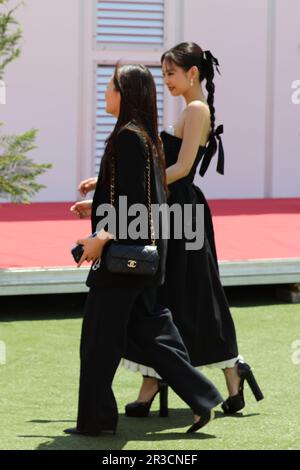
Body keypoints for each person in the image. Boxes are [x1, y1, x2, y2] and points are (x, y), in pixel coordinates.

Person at [75, 44, 264, 418]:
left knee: (194, 294)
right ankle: (158, 382)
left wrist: (132, 185)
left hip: (181, 211)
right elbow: (148, 170)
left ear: (193, 73)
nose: (167, 81)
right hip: (167, 208)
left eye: (171, 73)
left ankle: (230, 369)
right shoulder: (183, 111)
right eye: (163, 74)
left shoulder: (196, 109)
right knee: (165, 297)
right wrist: (106, 183)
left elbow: (180, 168)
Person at [66, 63, 223, 437]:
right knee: (149, 333)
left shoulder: (128, 138)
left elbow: (139, 205)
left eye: (111, 88)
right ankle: (203, 398)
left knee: (99, 342)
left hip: (123, 259)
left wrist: (101, 238)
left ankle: (96, 423)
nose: (105, 94)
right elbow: (143, 197)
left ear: (126, 95)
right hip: (141, 258)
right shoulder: (141, 135)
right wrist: (98, 203)